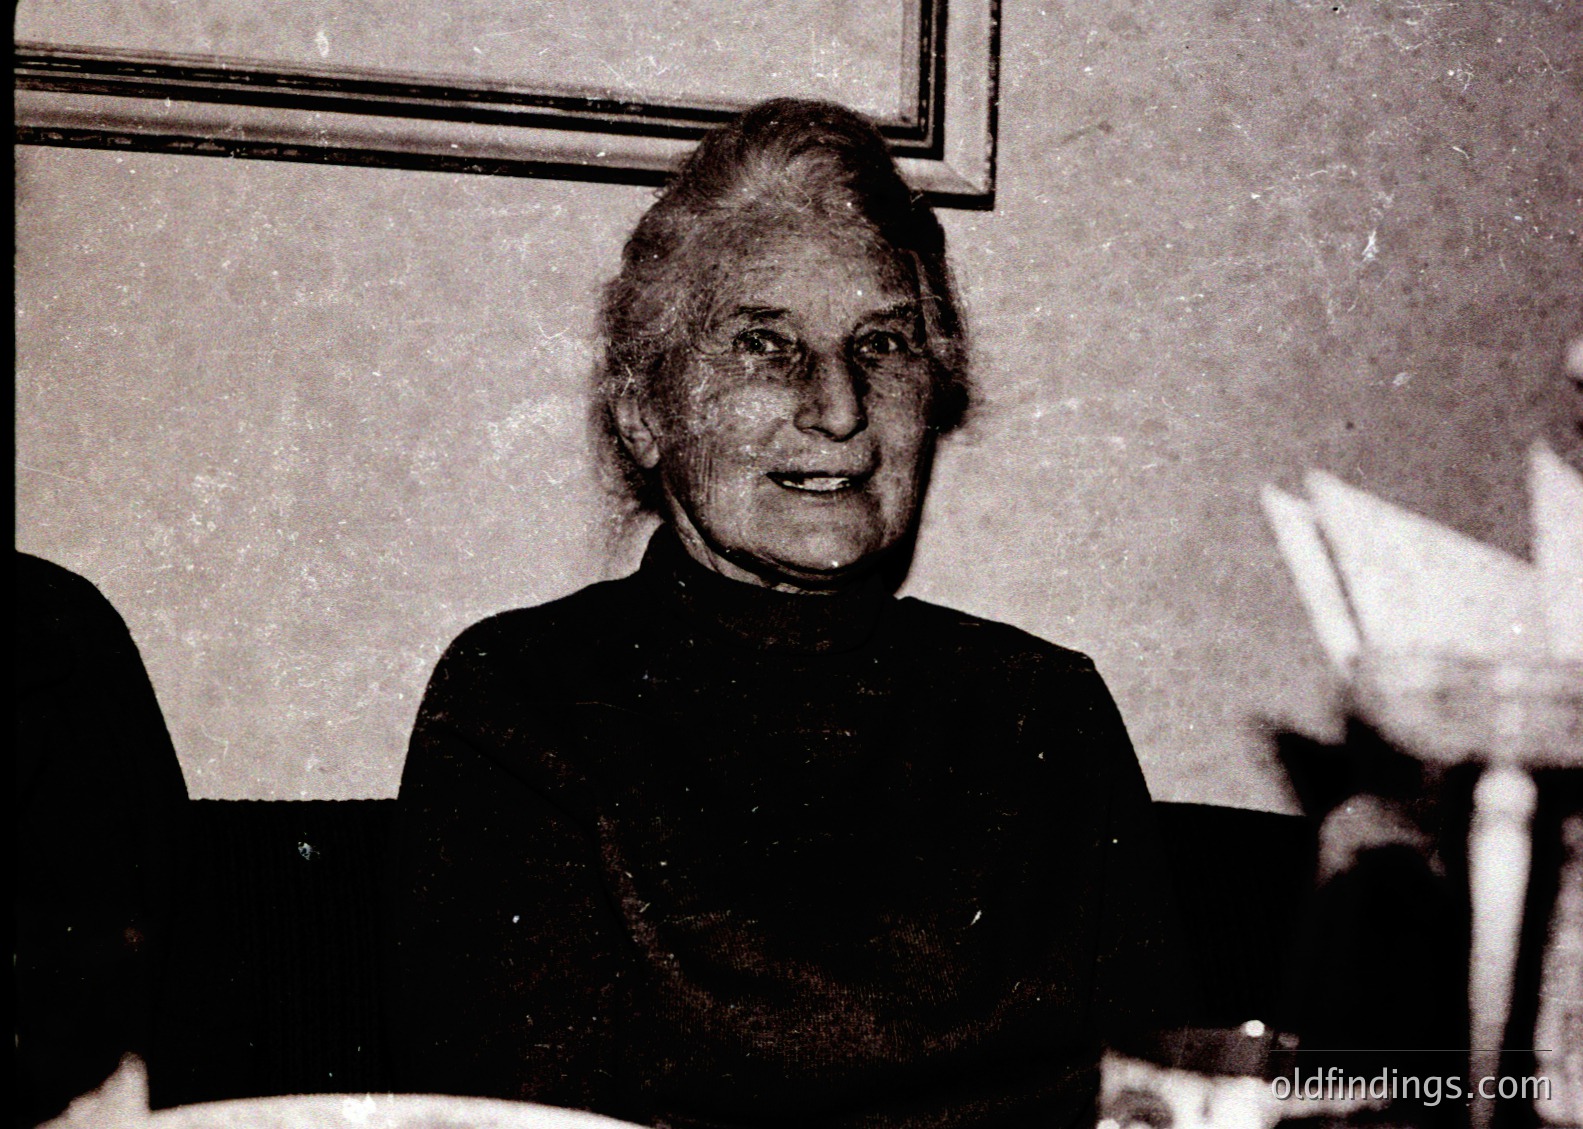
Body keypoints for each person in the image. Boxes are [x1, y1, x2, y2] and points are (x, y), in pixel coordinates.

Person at [386, 98, 1187, 1128]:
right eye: (763, 345)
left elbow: (1166, 1099)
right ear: (644, 411)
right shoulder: (524, 699)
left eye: (884, 344)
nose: (840, 407)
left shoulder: (1039, 706)